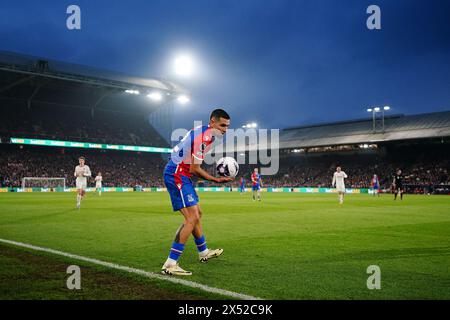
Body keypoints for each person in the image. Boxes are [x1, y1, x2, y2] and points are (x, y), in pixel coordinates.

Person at [161, 109, 233, 276]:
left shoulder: (203, 130)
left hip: (180, 173)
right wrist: (216, 180)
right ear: (213, 122)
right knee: (191, 218)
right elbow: (195, 169)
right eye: (222, 125)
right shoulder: (205, 137)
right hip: (177, 174)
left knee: (197, 213)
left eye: (228, 126)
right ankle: (170, 264)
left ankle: (203, 252)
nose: (225, 129)